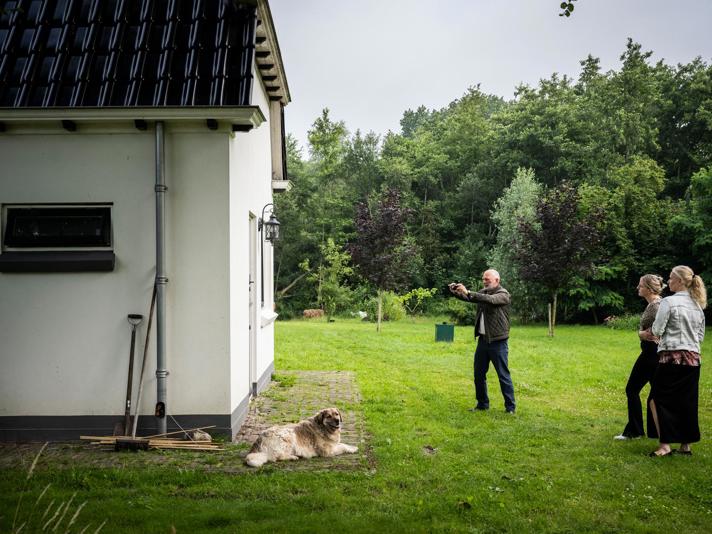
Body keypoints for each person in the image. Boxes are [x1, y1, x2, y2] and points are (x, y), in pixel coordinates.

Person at [647, 266, 707, 457]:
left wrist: (648, 333)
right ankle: (685, 445)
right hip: (693, 359)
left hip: (671, 358)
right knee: (686, 401)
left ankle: (664, 445)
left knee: (656, 399)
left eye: (671, 278)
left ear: (680, 281)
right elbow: (700, 335)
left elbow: (657, 330)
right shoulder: (697, 304)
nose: (668, 281)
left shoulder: (669, 302)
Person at [449, 269, 515, 413]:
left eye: (487, 280)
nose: (484, 282)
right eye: (483, 279)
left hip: (498, 342)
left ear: (497, 280)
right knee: (478, 374)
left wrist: (469, 292)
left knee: (503, 375)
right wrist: (457, 291)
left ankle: (510, 407)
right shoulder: (483, 293)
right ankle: (482, 404)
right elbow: (470, 298)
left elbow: (490, 300)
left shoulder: (503, 294)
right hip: (483, 341)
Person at [613, 274, 665, 440]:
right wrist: (641, 333)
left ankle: (635, 431)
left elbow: (655, 332)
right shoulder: (655, 304)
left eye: (640, 285)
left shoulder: (656, 306)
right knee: (655, 394)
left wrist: (642, 334)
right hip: (653, 353)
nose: (637, 288)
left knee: (632, 389)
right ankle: (654, 432)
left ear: (649, 289)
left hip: (651, 353)